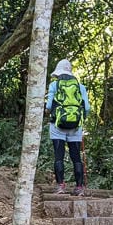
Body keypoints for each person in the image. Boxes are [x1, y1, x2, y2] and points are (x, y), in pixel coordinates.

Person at [46, 59, 90, 195]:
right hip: (76, 127)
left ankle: (60, 186)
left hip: (57, 125)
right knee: (76, 157)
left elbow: (48, 106)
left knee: (58, 156)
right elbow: (87, 108)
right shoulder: (80, 86)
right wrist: (80, 120)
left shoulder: (54, 85)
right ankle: (79, 187)